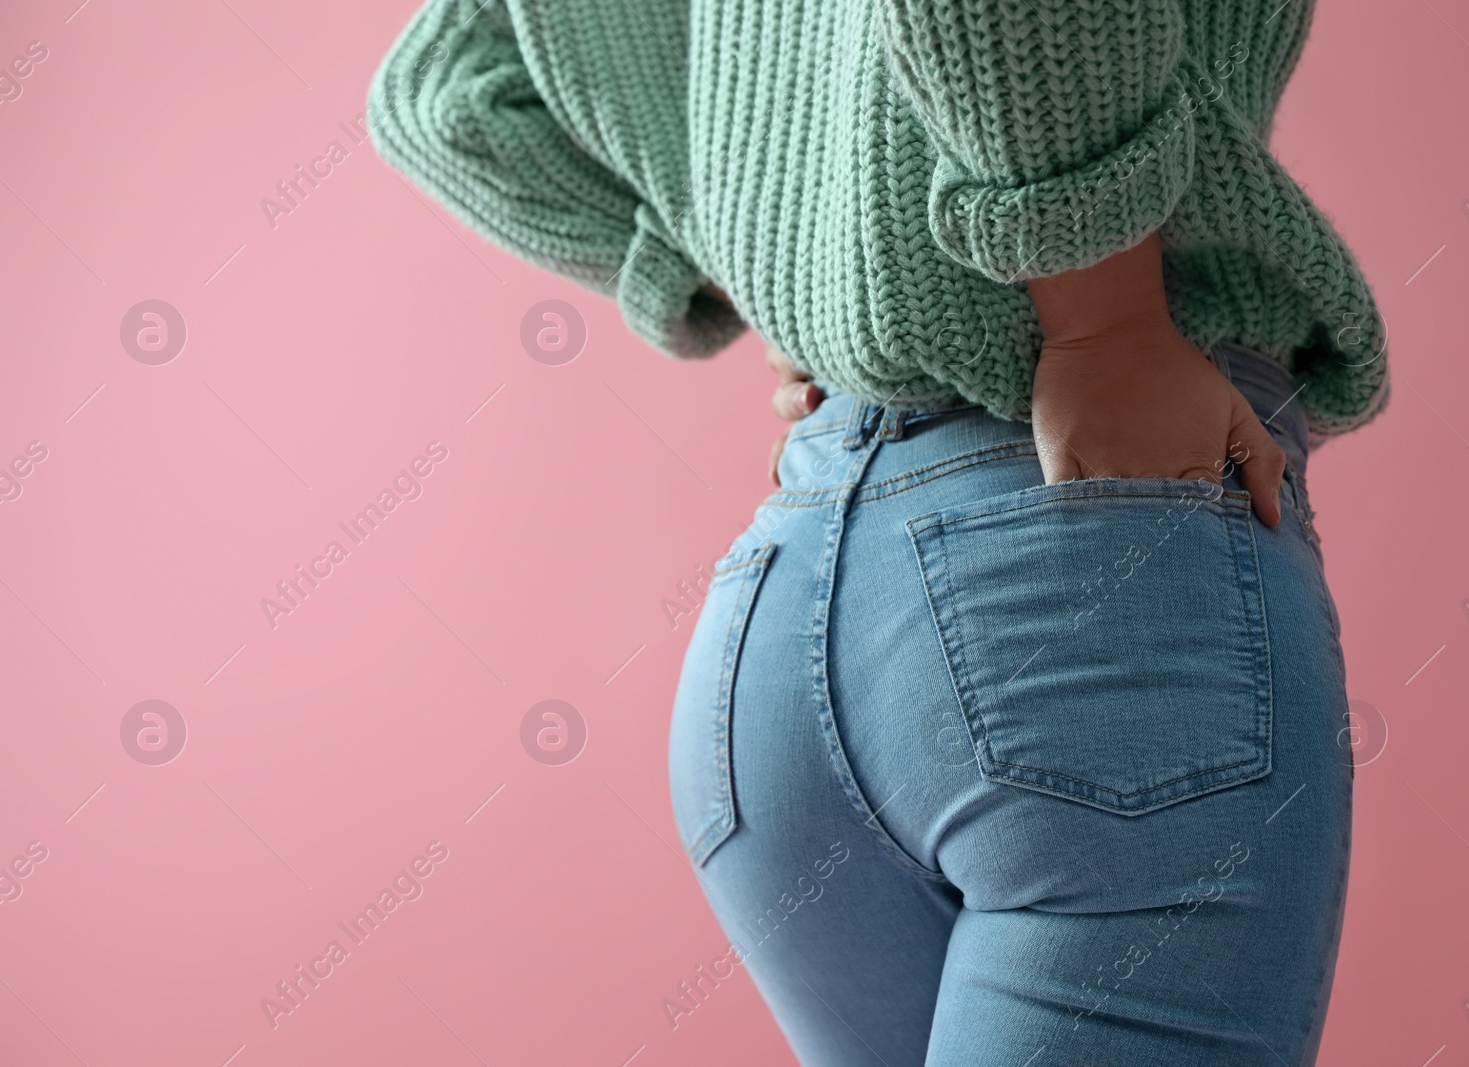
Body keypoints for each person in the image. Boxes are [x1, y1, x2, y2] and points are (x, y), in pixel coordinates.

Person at [370, 1, 1389, 1063]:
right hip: (1068, 572)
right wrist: (1103, 316)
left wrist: (792, 275)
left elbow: (446, 97)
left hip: (783, 623)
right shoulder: (1100, 334)